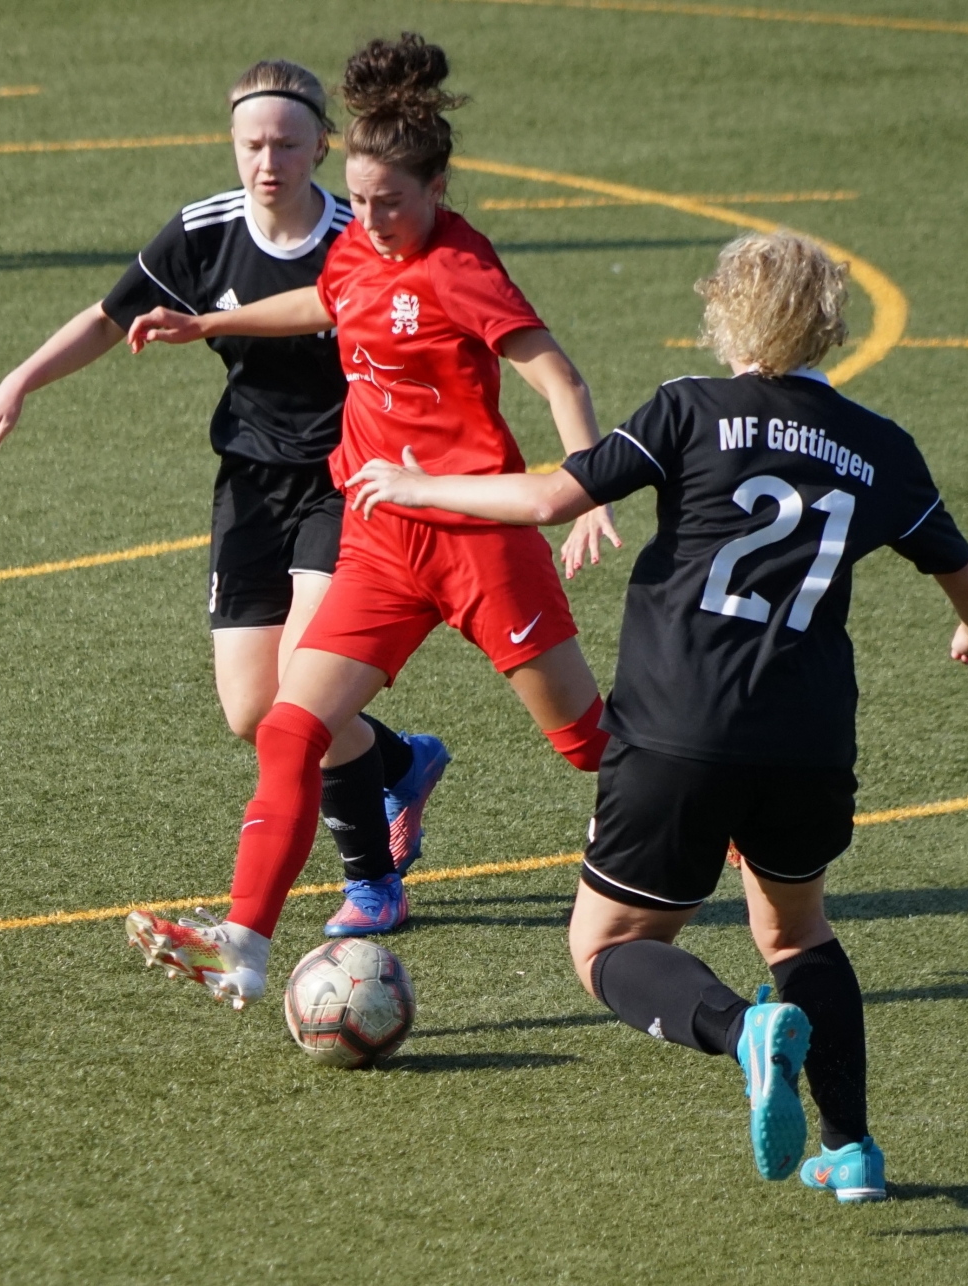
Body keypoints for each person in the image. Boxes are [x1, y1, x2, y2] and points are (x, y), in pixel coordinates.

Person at [347, 230, 968, 1201]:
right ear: (831, 328)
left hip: (677, 727)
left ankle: (745, 1031)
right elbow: (966, 572)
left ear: (723, 318)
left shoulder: (689, 408)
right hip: (810, 739)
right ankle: (854, 1149)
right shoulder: (881, 446)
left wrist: (413, 484)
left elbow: (552, 497)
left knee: (609, 946)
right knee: (798, 933)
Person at [122, 33, 619, 1006]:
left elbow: (559, 376)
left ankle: (734, 817)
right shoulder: (358, 243)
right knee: (289, 725)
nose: (373, 219)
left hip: (479, 541)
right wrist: (208, 322)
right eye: (361, 198)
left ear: (436, 186)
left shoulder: (461, 266)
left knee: (589, 746)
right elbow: (328, 296)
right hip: (383, 539)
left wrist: (587, 488)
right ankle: (244, 943)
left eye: (392, 201)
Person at [0, 60, 450, 938]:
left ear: (321, 146)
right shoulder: (204, 231)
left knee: (306, 691)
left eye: (287, 145)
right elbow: (108, 317)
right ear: (232, 144)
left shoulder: (357, 237)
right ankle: (399, 762)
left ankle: (375, 884)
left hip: (348, 481)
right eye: (252, 144)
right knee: (252, 711)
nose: (268, 162)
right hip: (250, 484)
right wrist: (18, 382)